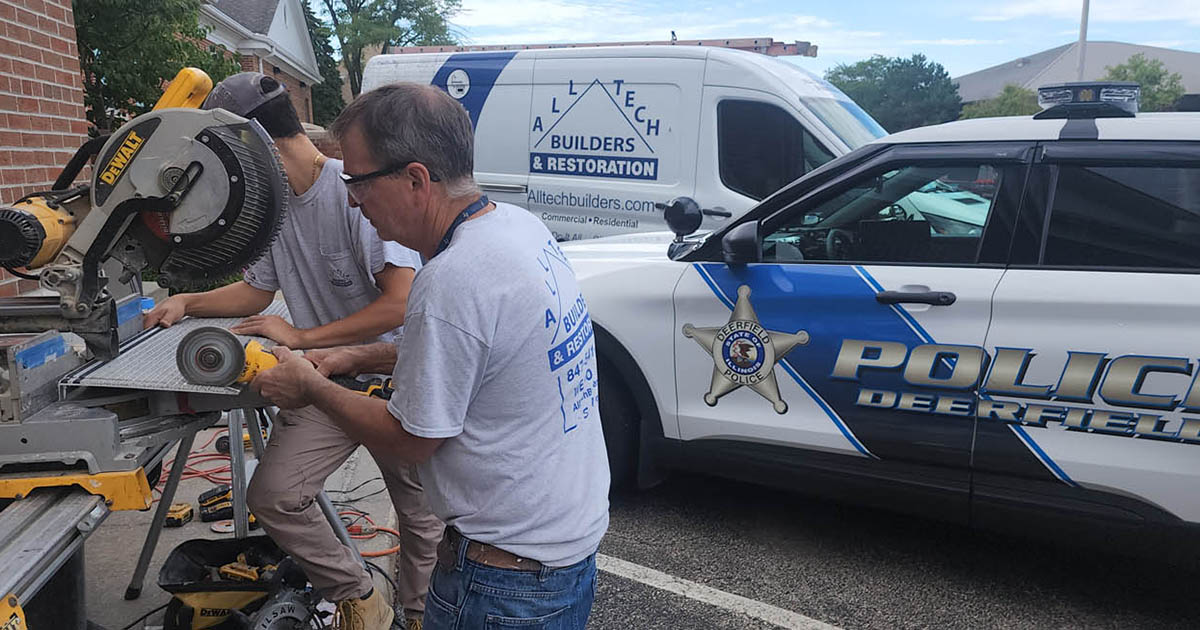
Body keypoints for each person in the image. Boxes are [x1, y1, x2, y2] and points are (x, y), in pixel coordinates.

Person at [250, 82, 610, 629]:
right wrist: (352, 359)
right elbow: (486, 356)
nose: (351, 198)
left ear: (416, 179)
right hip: (560, 553)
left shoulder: (450, 282)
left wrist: (311, 387)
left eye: (359, 180)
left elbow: (412, 439)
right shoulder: (517, 229)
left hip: (502, 583)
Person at [143, 73, 442, 630]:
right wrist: (188, 302)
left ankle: (420, 617)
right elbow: (257, 290)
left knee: (421, 518)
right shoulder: (271, 206)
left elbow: (401, 303)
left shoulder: (356, 194)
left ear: (256, 144)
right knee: (276, 495)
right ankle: (360, 598)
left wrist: (299, 338)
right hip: (321, 381)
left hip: (391, 377)